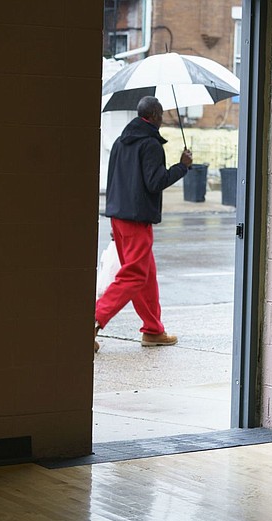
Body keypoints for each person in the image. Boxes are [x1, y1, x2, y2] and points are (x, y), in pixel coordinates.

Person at [94, 96, 193, 352]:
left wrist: (114, 219)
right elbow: (155, 182)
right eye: (161, 115)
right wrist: (181, 167)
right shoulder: (150, 145)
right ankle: (93, 319)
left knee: (145, 275)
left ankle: (153, 331)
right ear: (156, 115)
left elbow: (113, 179)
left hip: (118, 216)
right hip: (137, 220)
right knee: (135, 274)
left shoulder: (120, 142)